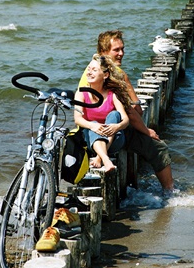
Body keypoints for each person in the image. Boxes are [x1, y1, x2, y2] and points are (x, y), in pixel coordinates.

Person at [79, 30, 174, 192]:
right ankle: (170, 192)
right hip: (104, 133)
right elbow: (131, 112)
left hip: (95, 131)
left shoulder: (91, 69)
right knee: (157, 146)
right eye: (116, 50)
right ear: (103, 52)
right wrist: (146, 131)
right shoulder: (110, 75)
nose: (121, 53)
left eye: (122, 49)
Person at [74, 54, 130, 173]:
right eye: (88, 69)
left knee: (114, 115)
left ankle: (100, 157)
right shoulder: (81, 93)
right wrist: (93, 126)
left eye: (94, 70)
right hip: (91, 140)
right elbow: (77, 119)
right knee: (93, 124)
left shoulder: (112, 94)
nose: (89, 73)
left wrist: (117, 126)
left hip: (114, 139)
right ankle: (106, 159)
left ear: (105, 75)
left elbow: (125, 120)